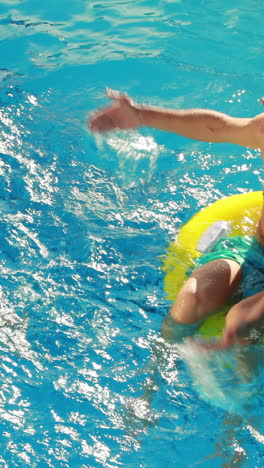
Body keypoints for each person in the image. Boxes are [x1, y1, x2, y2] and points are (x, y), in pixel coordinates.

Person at [88, 88, 264, 349]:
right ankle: (157, 369)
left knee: (242, 325)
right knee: (193, 297)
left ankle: (242, 382)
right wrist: (141, 115)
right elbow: (216, 127)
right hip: (255, 251)